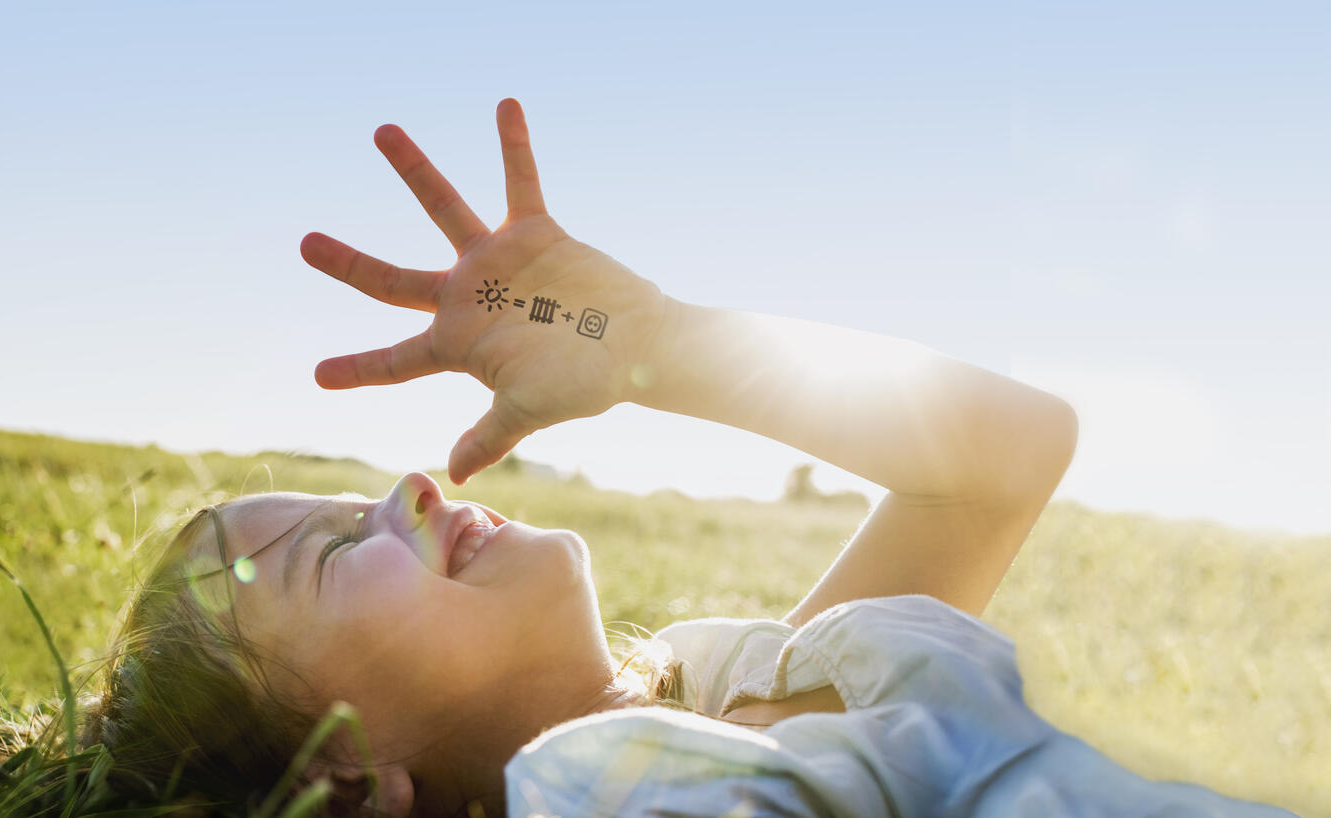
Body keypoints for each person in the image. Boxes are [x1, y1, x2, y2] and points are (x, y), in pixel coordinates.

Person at [75, 100, 1290, 817]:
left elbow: (1004, 456)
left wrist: (645, 340)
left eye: (358, 496)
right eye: (335, 548)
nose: (411, 486)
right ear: (344, 775)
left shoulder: (714, 691)